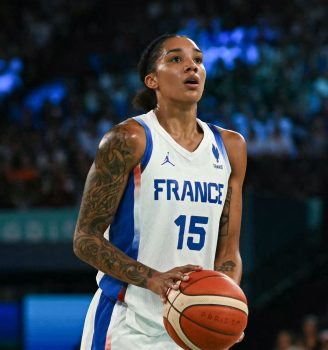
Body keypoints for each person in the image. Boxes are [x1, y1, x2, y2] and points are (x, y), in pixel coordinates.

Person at [73, 34, 247, 349]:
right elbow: (85, 239)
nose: (192, 67)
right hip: (128, 325)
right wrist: (155, 280)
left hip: (190, 330)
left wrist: (224, 302)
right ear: (152, 80)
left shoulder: (230, 147)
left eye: (198, 60)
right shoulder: (128, 139)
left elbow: (228, 251)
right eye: (176, 59)